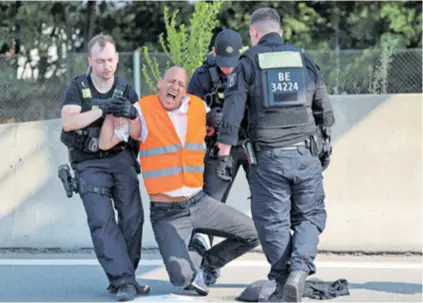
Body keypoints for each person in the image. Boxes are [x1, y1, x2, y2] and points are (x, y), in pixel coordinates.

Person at [99, 66, 260, 296]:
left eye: (181, 84)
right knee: (181, 278)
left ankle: (208, 262)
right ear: (160, 84)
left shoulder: (198, 106)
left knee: (253, 232)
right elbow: (105, 143)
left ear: (185, 91)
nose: (175, 87)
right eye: (171, 81)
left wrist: (220, 120)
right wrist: (115, 114)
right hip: (167, 214)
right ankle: (193, 257)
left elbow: (224, 113)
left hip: (199, 202)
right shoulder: (142, 109)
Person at [216, 7, 335, 302]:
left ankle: (284, 277)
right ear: (281, 31)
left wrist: (224, 154)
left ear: (253, 33)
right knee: (309, 216)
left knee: (273, 221)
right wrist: (325, 147)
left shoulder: (248, 62)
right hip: (306, 155)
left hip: (269, 159)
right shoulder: (303, 59)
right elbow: (325, 111)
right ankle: (299, 271)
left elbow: (231, 114)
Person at [59, 34, 150, 302]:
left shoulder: (126, 87)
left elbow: (138, 133)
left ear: (117, 59)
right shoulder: (78, 87)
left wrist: (133, 114)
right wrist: (102, 110)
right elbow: (68, 122)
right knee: (102, 221)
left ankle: (126, 278)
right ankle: (123, 280)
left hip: (121, 158)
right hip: (89, 162)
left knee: (133, 217)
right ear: (90, 61)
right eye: (100, 61)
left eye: (110, 60)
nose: (106, 66)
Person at [186, 29, 250, 278]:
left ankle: (280, 271)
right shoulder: (202, 76)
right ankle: (199, 266)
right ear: (214, 53)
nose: (227, 70)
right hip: (216, 147)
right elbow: (186, 115)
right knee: (210, 207)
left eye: (231, 65)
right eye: (223, 64)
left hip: (246, 145)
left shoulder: (248, 69)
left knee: (268, 206)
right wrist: (208, 117)